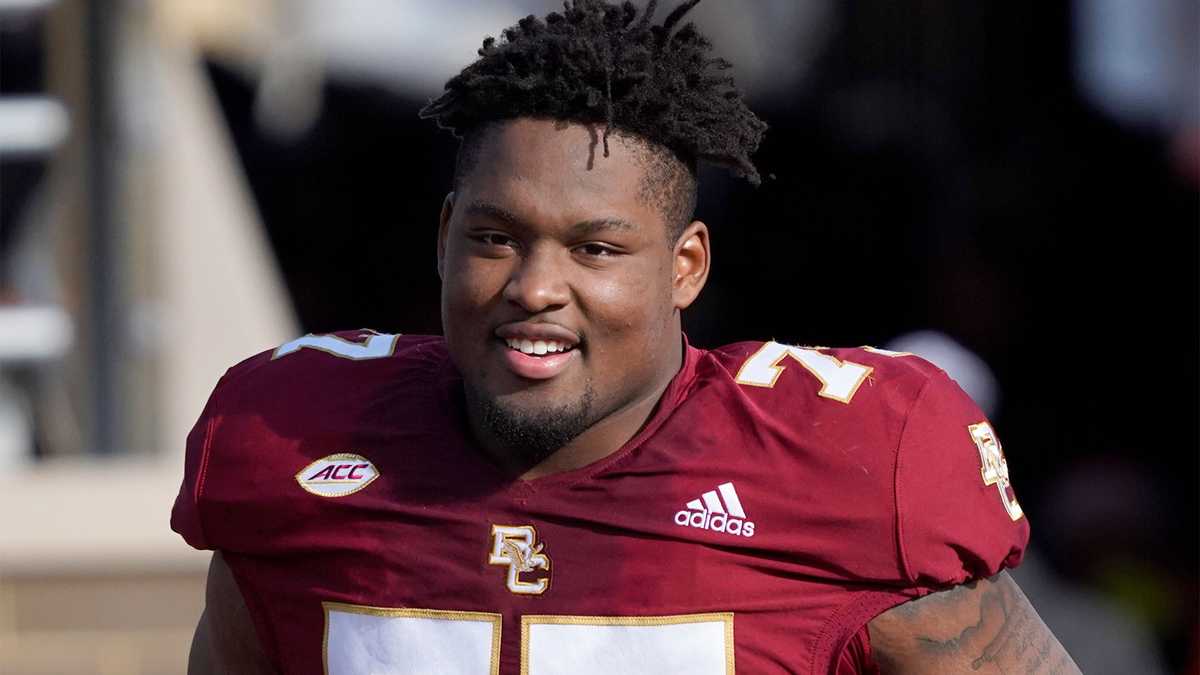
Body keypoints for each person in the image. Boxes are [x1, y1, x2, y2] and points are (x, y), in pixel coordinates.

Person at [174, 1, 1081, 672]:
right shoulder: (295, 440)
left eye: (594, 248)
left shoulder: (846, 466)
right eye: (495, 237)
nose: (534, 287)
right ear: (444, 233)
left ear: (685, 266)